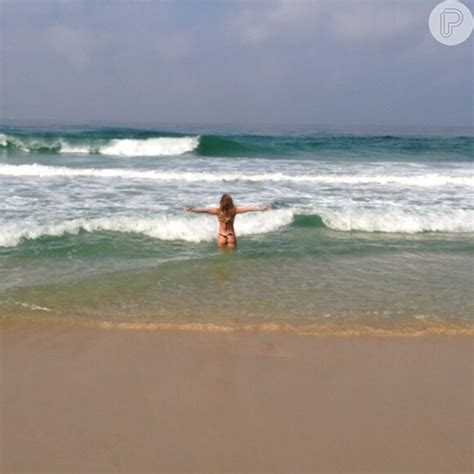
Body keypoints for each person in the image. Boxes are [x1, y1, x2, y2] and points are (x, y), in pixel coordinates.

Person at [184, 193, 271, 247]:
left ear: (221, 202)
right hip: (231, 236)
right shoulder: (234, 210)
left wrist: (192, 210)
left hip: (221, 235)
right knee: (232, 259)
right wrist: (262, 209)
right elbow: (248, 209)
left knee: (222, 259)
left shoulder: (218, 211)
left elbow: (204, 211)